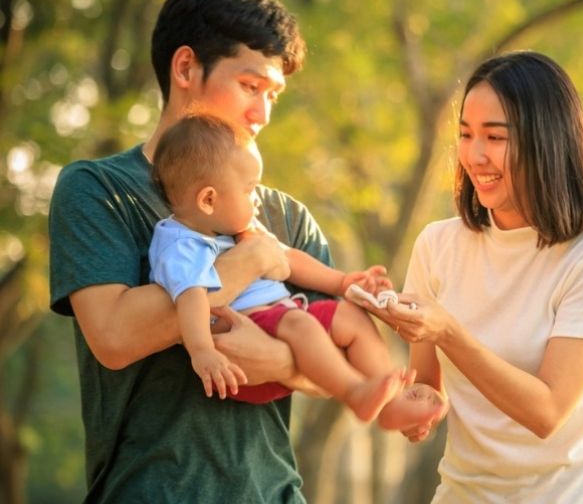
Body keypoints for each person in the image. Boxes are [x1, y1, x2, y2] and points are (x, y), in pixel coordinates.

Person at [49, 0, 319, 501]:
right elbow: (114, 335)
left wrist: (281, 363)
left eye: (273, 94)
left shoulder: (289, 217)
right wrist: (254, 259)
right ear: (186, 67)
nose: (261, 113)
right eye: (249, 85)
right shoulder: (99, 191)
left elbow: (342, 364)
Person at [372, 51, 583, 502]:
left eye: (495, 137)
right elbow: (428, 384)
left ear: (545, 140)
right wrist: (407, 406)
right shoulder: (437, 245)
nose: (475, 155)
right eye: (466, 134)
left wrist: (449, 332)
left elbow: (547, 412)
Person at [149, 113, 444, 430]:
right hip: (241, 345)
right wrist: (203, 351)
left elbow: (288, 258)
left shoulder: (237, 227)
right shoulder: (180, 245)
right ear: (208, 199)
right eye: (250, 190)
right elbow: (191, 299)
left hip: (279, 319)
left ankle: (389, 403)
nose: (257, 200)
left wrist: (343, 282)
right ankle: (355, 393)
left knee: (350, 316)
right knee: (299, 324)